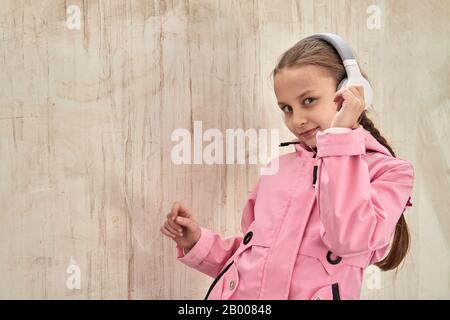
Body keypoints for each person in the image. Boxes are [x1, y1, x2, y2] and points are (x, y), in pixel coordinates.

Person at [160, 34, 414, 300]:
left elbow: (350, 239)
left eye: (308, 101)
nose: (297, 120)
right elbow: (253, 260)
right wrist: (198, 243)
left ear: (352, 91)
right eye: (287, 108)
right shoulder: (277, 170)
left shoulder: (390, 173)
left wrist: (339, 139)